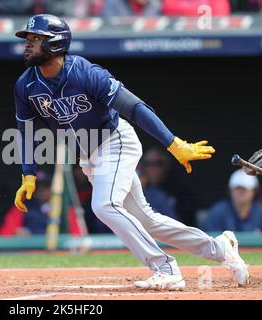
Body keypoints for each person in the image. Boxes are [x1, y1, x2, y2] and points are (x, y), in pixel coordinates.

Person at [12, 14, 249, 290]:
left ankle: (164, 267)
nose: (27, 44)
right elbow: (25, 131)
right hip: (89, 156)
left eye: (35, 39)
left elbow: (135, 107)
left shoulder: (87, 73)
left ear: (55, 44)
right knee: (147, 221)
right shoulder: (25, 85)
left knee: (104, 205)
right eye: (28, 39)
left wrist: (174, 144)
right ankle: (221, 248)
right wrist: (28, 174)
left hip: (115, 141)